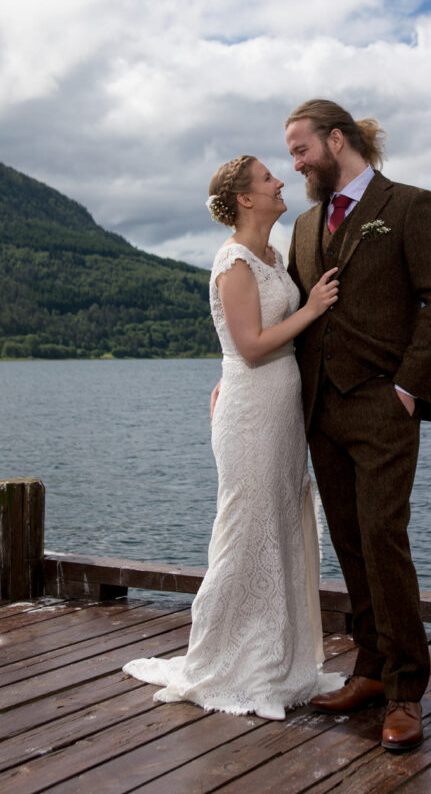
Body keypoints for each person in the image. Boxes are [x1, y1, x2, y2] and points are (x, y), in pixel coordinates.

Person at [123, 154, 344, 719]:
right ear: (246, 198)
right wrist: (314, 307)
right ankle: (223, 659)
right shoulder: (234, 259)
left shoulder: (275, 253)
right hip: (252, 410)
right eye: (270, 178)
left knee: (281, 523)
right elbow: (249, 345)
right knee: (246, 526)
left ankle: (279, 660)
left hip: (280, 408)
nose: (280, 182)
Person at [285, 99, 431, 751]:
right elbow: (300, 313)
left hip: (384, 406)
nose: (296, 163)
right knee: (351, 542)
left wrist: (407, 390)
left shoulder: (411, 205)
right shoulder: (303, 226)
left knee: (384, 538)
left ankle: (407, 693)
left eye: (301, 149)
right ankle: (369, 668)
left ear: (337, 140)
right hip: (320, 410)